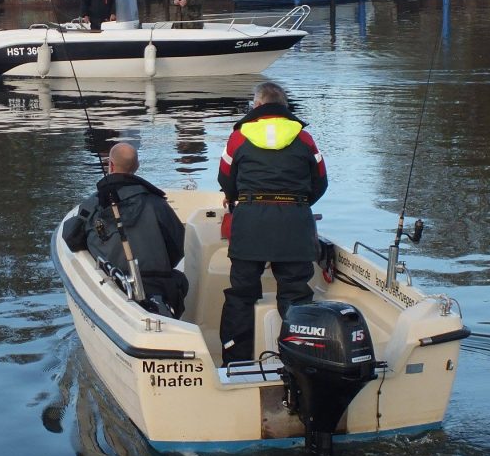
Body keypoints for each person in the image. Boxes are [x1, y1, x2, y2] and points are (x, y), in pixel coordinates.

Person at [217, 81, 328, 365]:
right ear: (285, 106)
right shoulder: (304, 138)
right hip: (294, 225)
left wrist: (238, 199)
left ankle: (236, 361)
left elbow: (225, 179)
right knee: (295, 296)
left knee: (241, 295)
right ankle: (299, 362)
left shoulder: (239, 137)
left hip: (250, 224)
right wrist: (298, 205)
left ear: (256, 106)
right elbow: (320, 181)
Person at [62, 142, 188, 318]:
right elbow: (178, 246)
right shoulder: (157, 203)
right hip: (160, 286)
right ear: (137, 167)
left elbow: (71, 238)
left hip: (116, 286)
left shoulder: (94, 204)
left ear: (110, 165)